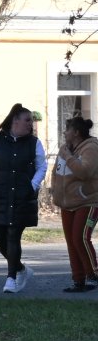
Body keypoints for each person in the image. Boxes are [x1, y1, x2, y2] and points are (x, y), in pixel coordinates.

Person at [0, 103, 47, 294]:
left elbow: (42, 166)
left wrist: (33, 185)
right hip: (0, 194)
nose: (30, 124)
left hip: (23, 196)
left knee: (13, 234)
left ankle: (11, 278)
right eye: (27, 120)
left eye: (31, 121)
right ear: (15, 120)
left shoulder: (34, 143)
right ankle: (21, 269)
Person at [52, 116, 98, 293]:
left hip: (88, 201)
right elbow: (56, 172)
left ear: (77, 133)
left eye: (67, 129)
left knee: (81, 237)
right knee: (71, 241)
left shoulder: (91, 147)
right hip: (67, 203)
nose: (64, 132)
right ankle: (78, 280)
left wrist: (69, 157)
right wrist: (56, 191)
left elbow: (85, 172)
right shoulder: (65, 149)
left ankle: (93, 273)